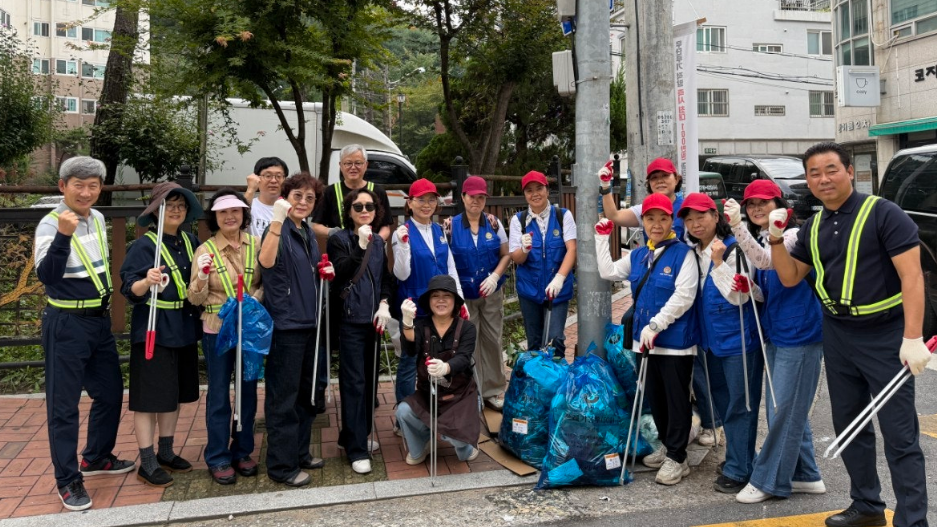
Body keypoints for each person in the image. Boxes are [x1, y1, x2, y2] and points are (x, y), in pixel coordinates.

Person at [770, 142, 931, 527]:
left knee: (900, 433)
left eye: (830, 170)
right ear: (807, 180)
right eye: (814, 173)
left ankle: (913, 520)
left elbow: (912, 276)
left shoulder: (884, 214)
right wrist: (775, 239)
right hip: (839, 333)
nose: (823, 179)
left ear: (849, 171)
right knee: (849, 424)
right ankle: (867, 506)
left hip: (885, 333)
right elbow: (791, 276)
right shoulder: (815, 225)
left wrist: (913, 337)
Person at [34, 156, 135, 511]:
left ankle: (96, 458)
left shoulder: (98, 217)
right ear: (63, 186)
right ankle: (67, 479)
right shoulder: (50, 224)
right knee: (63, 406)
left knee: (109, 391)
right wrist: (63, 235)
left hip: (98, 320)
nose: (87, 191)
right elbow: (46, 275)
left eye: (94, 185)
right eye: (79, 184)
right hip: (66, 323)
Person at [722, 182, 827, 504]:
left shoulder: (792, 237)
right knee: (784, 409)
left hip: (801, 336)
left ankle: (769, 480)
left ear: (780, 205)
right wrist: (749, 288)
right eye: (750, 204)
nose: (756, 209)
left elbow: (769, 263)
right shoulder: (766, 239)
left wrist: (737, 227)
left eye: (763, 203)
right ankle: (805, 475)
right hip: (777, 334)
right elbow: (769, 289)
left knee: (783, 412)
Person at [595, 193, 699, 486]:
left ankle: (678, 457)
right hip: (646, 343)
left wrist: (656, 324)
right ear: (642, 222)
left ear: (671, 221)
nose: (656, 224)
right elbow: (608, 272)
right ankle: (668, 445)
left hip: (675, 343)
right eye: (650, 218)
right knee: (656, 397)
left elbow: (685, 295)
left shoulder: (684, 254)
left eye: (662, 218)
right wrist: (601, 240)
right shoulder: (639, 254)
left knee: (676, 398)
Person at [678, 192, 763, 495]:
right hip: (711, 342)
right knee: (727, 405)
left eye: (701, 216)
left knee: (742, 405)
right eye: (689, 219)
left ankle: (740, 470)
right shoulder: (692, 252)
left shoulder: (733, 250)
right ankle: (740, 459)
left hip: (739, 341)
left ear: (716, 217)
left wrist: (717, 263)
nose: (695, 223)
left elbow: (739, 295)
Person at [119, 183, 203, 488]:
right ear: (157, 211)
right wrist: (146, 280)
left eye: (182, 205)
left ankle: (166, 451)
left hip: (184, 324)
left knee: (173, 393)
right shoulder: (144, 245)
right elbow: (129, 288)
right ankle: (147, 460)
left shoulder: (191, 241)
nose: (177, 210)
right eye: (170, 205)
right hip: (154, 328)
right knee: (148, 398)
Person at [258, 172, 333, 487]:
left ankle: (300, 453)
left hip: (310, 324)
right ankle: (281, 467)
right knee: (283, 399)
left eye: (309, 198)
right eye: (297, 196)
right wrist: (276, 221)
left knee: (306, 397)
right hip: (286, 326)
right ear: (285, 198)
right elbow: (266, 261)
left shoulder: (305, 233)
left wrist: (323, 272)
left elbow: (306, 273)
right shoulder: (277, 229)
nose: (302, 202)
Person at [187, 189, 263, 485]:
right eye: (223, 212)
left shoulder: (255, 245)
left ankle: (242, 450)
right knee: (218, 392)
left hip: (249, 327)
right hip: (216, 328)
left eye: (236, 211)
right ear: (215, 217)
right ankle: (218, 456)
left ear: (244, 215)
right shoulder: (205, 250)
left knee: (248, 388)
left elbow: (265, 281)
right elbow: (194, 298)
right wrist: (203, 276)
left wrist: (253, 300)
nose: (230, 216)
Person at [327, 188, 394, 475]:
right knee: (353, 383)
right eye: (358, 206)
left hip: (374, 321)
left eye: (369, 206)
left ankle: (354, 436)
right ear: (349, 211)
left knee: (369, 381)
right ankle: (355, 449)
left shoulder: (379, 242)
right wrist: (360, 246)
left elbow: (385, 278)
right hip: (351, 320)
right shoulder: (338, 239)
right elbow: (340, 271)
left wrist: (384, 303)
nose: (364, 210)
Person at [392, 178, 464, 411]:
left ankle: (434, 409)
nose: (426, 204)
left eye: (431, 199)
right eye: (420, 199)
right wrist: (403, 246)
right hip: (414, 308)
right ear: (409, 203)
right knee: (410, 361)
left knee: (439, 358)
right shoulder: (402, 232)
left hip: (441, 307)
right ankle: (404, 414)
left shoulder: (439, 230)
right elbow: (401, 274)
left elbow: (450, 267)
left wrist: (460, 300)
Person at [396, 275, 480, 464]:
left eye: (446, 296)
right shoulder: (420, 326)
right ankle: (422, 444)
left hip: (459, 396)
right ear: (429, 301)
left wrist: (446, 367)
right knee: (403, 412)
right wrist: (407, 324)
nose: (441, 300)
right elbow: (410, 351)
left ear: (454, 301)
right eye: (435, 296)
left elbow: (464, 358)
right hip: (429, 395)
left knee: (454, 435)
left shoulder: (467, 328)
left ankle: (465, 446)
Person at [447, 176, 510, 411]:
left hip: (491, 293)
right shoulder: (450, 226)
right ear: (463, 197)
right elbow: (447, 262)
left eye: (481, 197)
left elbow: (506, 254)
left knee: (493, 339)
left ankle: (493, 390)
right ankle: (471, 390)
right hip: (464, 296)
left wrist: (495, 276)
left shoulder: (493, 223)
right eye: (472, 196)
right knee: (467, 344)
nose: (476, 201)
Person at [509, 171, 577, 358]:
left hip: (558, 289)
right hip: (529, 290)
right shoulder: (519, 221)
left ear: (547, 190)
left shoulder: (563, 216)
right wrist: (524, 249)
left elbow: (572, 249)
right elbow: (517, 259)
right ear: (524, 194)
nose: (535, 194)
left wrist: (559, 279)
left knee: (556, 340)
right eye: (529, 190)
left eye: (539, 188)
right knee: (535, 342)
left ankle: (557, 383)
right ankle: (537, 385)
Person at [312, 144, 394, 242]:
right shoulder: (330, 192)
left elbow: (385, 226)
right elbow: (316, 226)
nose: (353, 167)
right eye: (348, 163)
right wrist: (332, 232)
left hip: (371, 250)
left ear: (366, 165)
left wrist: (376, 241)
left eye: (358, 163)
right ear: (341, 166)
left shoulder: (378, 191)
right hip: (341, 251)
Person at [599, 157, 687, 240]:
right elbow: (614, 216)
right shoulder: (644, 209)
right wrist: (605, 185)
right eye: (654, 177)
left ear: (676, 179)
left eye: (665, 175)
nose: (660, 181)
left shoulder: (687, 209)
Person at [244, 157, 288, 237]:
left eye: (278, 176)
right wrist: (250, 190)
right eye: (268, 176)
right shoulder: (250, 203)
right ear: (257, 178)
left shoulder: (290, 208)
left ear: (284, 179)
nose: (274, 181)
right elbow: (238, 221)